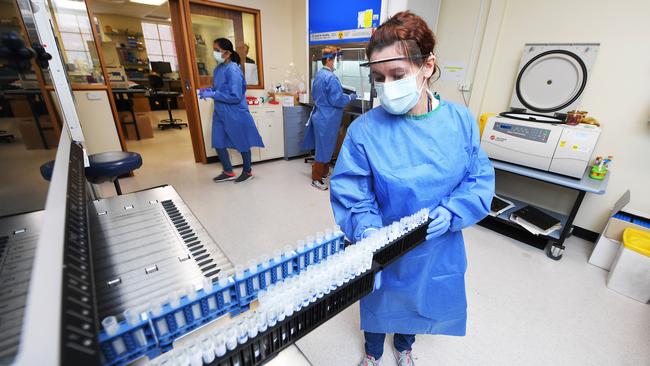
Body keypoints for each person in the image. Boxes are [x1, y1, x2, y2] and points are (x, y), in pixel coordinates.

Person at [329, 11, 495, 366]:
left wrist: (453, 212)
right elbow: (352, 190)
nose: (387, 86)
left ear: (427, 65)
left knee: (423, 296)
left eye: (398, 74)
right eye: (378, 77)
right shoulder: (365, 130)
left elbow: (478, 179)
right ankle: (373, 353)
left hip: (436, 244)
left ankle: (404, 347)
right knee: (378, 298)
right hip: (383, 241)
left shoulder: (460, 121)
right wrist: (367, 228)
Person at [199, 38, 264, 183]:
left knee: (242, 142)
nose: (214, 53)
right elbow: (218, 89)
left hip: (234, 112)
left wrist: (214, 94)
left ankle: (247, 172)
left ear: (227, 53)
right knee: (218, 142)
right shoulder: (218, 69)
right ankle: (228, 171)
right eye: (214, 50)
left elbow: (235, 96)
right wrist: (209, 91)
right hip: (220, 112)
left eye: (217, 50)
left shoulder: (233, 70)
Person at [302, 47, 356, 191]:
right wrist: (350, 97)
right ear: (330, 59)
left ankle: (324, 172)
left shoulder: (319, 74)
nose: (337, 62)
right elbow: (337, 100)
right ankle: (316, 179)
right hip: (327, 119)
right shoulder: (331, 77)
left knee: (325, 147)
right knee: (323, 149)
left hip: (322, 116)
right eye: (337, 59)